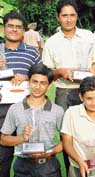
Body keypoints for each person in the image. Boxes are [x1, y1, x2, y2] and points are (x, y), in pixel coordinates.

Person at [0, 63, 64, 177]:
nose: (37, 87)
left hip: (49, 167)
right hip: (23, 167)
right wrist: (22, 138)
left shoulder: (57, 110)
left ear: (49, 86)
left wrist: (51, 152)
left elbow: (68, 141)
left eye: (43, 83)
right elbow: (3, 139)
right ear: (28, 82)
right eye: (34, 81)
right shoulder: (15, 108)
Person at [42, 0, 95, 111]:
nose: (69, 20)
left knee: (89, 125)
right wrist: (61, 72)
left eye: (72, 15)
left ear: (77, 16)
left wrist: (94, 68)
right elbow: (47, 73)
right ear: (58, 17)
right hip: (64, 92)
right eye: (64, 16)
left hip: (88, 90)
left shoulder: (88, 36)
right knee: (65, 126)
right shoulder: (51, 42)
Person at [0, 11, 41, 177]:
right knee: (2, 157)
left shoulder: (32, 52)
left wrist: (27, 76)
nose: (14, 30)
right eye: (10, 26)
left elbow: (44, 76)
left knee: (29, 155)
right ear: (4, 29)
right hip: (2, 110)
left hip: (26, 109)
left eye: (18, 27)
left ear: (24, 31)